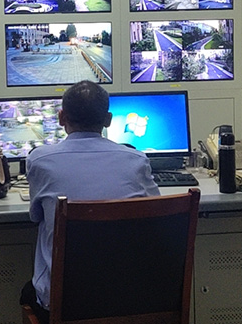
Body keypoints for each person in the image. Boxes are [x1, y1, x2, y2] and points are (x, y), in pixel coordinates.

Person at [20, 80, 160, 323]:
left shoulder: (39, 160)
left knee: (27, 291)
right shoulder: (136, 160)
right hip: (131, 298)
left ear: (61, 118)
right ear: (108, 120)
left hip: (64, 301)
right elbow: (156, 214)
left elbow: (36, 216)